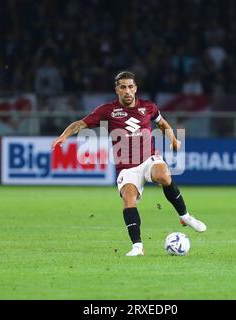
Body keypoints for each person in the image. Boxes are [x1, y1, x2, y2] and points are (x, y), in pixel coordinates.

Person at [51, 71, 206, 257]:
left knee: (163, 175)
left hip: (149, 159)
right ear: (117, 90)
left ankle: (185, 217)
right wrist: (64, 136)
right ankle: (138, 247)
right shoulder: (107, 110)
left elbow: (163, 124)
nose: (127, 91)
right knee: (129, 199)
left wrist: (173, 140)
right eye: (123, 87)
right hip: (127, 167)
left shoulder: (148, 107)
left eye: (130, 87)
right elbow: (81, 124)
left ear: (136, 88)